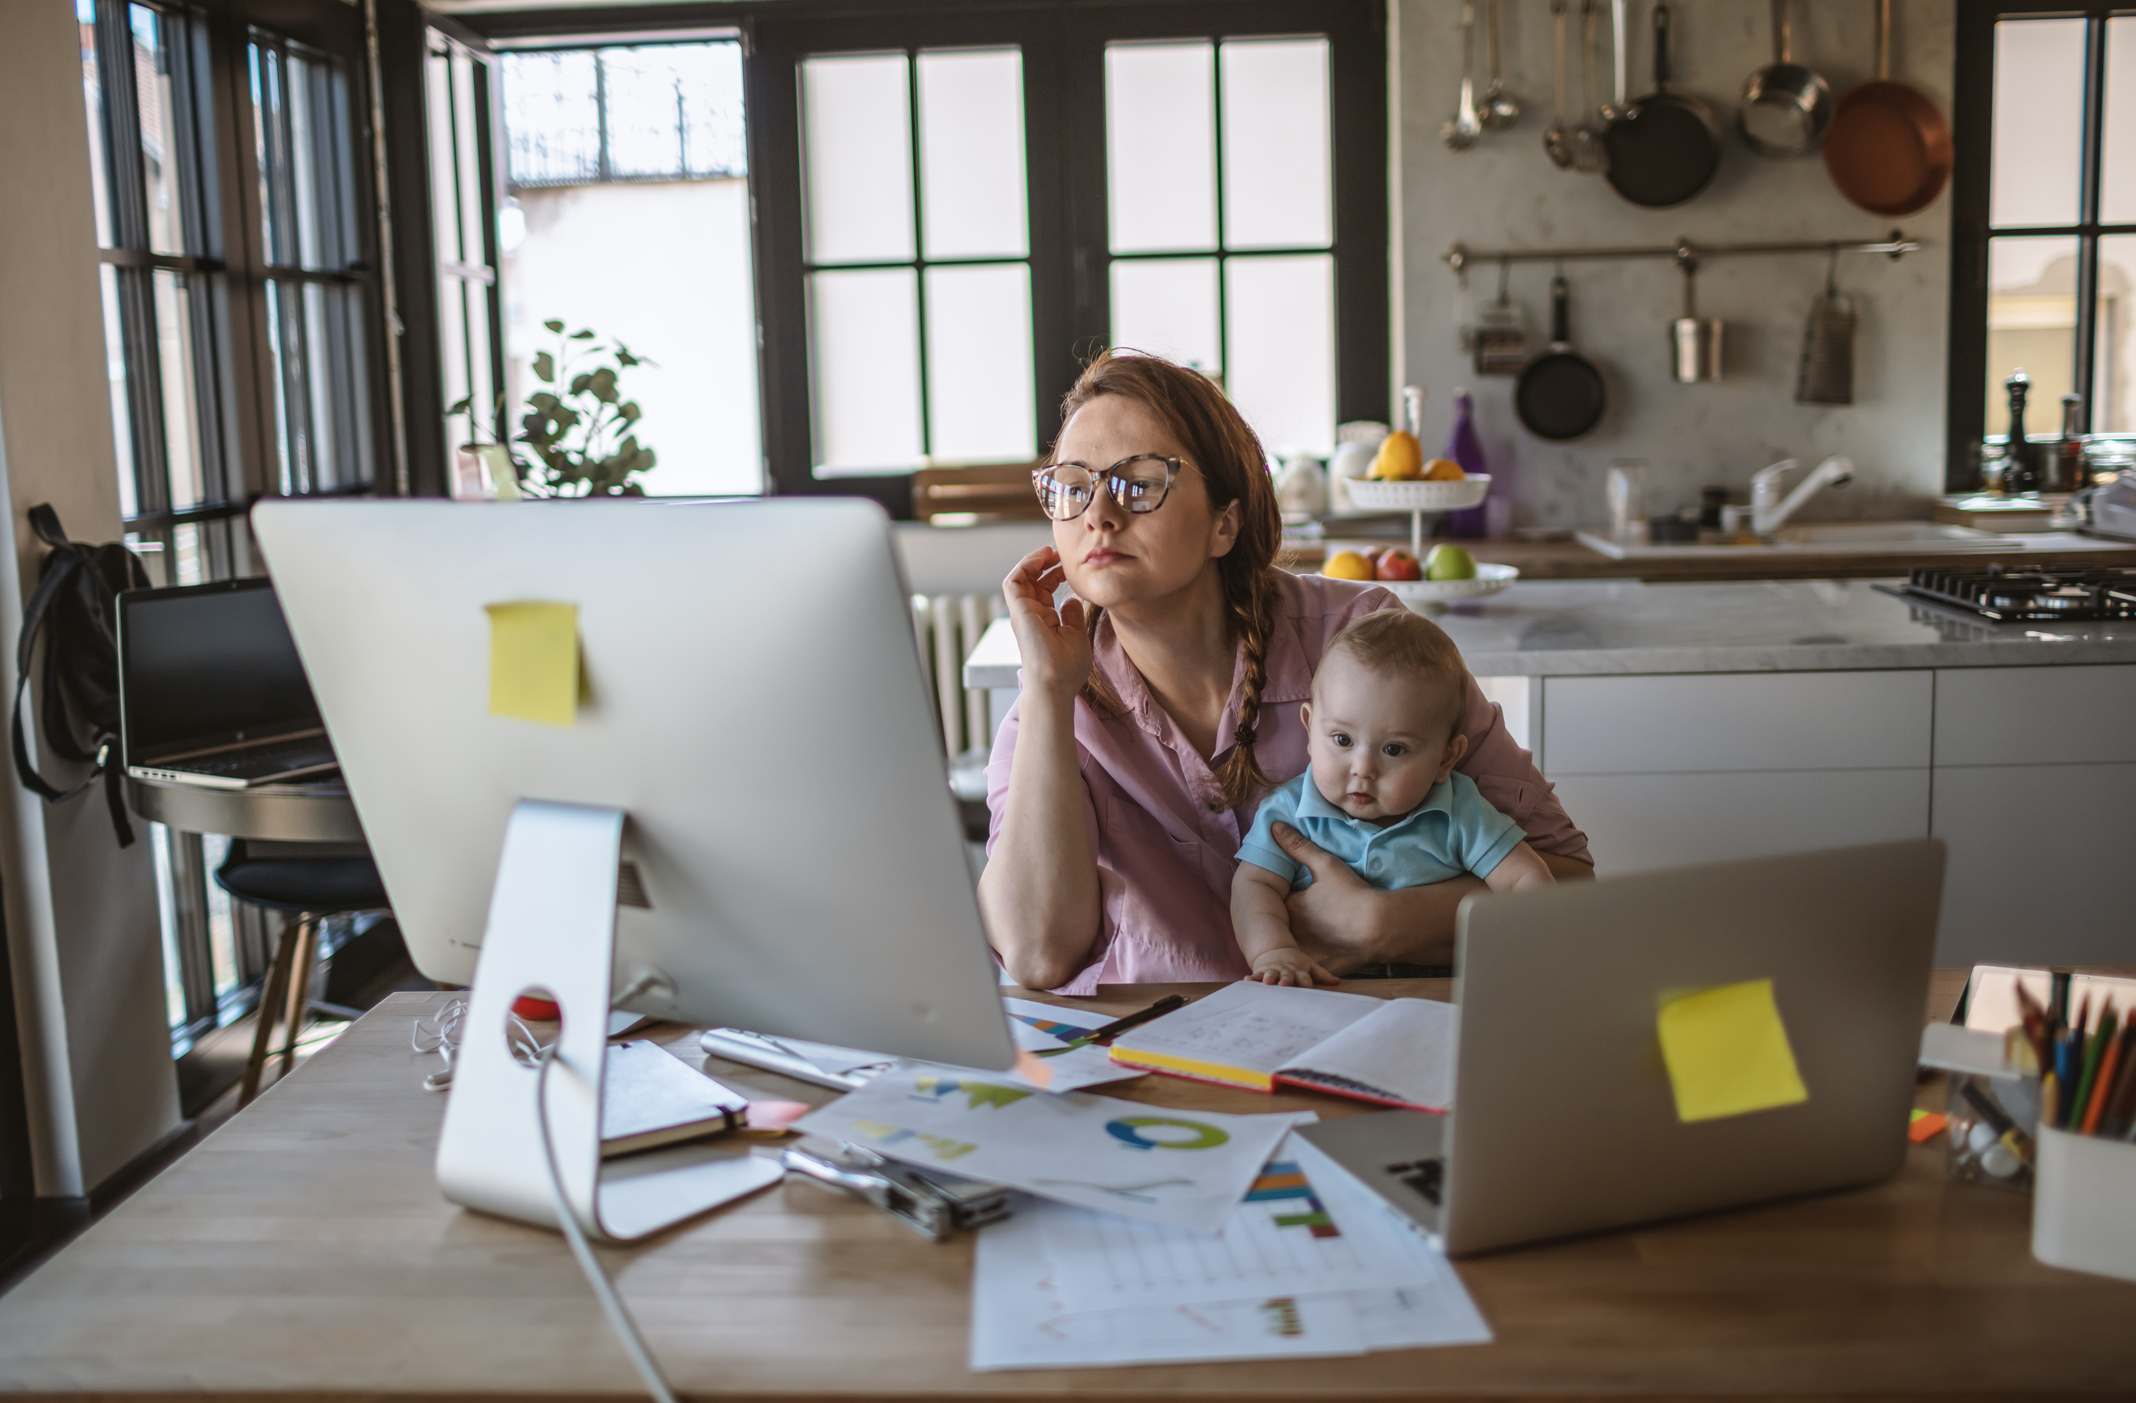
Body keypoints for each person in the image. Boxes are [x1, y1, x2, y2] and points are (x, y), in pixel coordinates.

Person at [979, 350, 1591, 995]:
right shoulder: (1054, 696)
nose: (1099, 514)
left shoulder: (1363, 639)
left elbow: (1569, 881)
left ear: (1224, 523)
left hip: (1369, 1026)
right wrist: (1049, 691)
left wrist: (1386, 923)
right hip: (1158, 1055)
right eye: (1074, 486)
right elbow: (1037, 955)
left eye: (1139, 481)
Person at [1231, 610, 1556, 988]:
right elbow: (1254, 887)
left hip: (1444, 986)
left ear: (1445, 759)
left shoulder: (1459, 809)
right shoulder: (1288, 811)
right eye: (1342, 740)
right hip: (1327, 987)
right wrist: (1273, 951)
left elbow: (1526, 880)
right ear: (1309, 727)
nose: (1363, 768)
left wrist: (1535, 944)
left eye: (1394, 749)